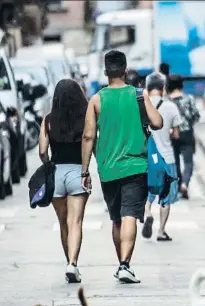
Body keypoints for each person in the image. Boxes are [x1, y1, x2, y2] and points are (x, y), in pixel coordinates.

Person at [81, 50, 163, 284]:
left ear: (106, 72)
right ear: (125, 71)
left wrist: (85, 171)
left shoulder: (96, 100)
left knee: (117, 218)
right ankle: (125, 265)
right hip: (136, 165)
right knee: (129, 215)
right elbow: (157, 122)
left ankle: (122, 265)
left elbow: (88, 137)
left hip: (108, 168)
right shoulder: (139, 95)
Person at [38, 79, 89, 283]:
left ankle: (68, 260)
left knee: (63, 223)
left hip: (56, 174)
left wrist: (48, 163)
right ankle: (73, 263)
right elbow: (90, 142)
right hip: (78, 172)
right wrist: (86, 170)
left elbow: (42, 151)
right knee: (75, 222)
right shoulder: (86, 118)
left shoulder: (48, 120)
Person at [141, 73, 182, 241]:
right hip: (166, 158)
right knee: (165, 196)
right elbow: (177, 135)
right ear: (163, 88)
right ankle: (161, 231)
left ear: (147, 88)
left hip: (147, 158)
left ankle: (147, 212)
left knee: (148, 192)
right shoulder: (171, 107)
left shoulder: (140, 106)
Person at [168, 74, 201, 199]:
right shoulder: (189, 99)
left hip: (172, 134)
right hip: (187, 133)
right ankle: (185, 183)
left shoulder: (167, 101)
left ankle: (178, 182)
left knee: (175, 161)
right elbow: (196, 116)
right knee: (188, 161)